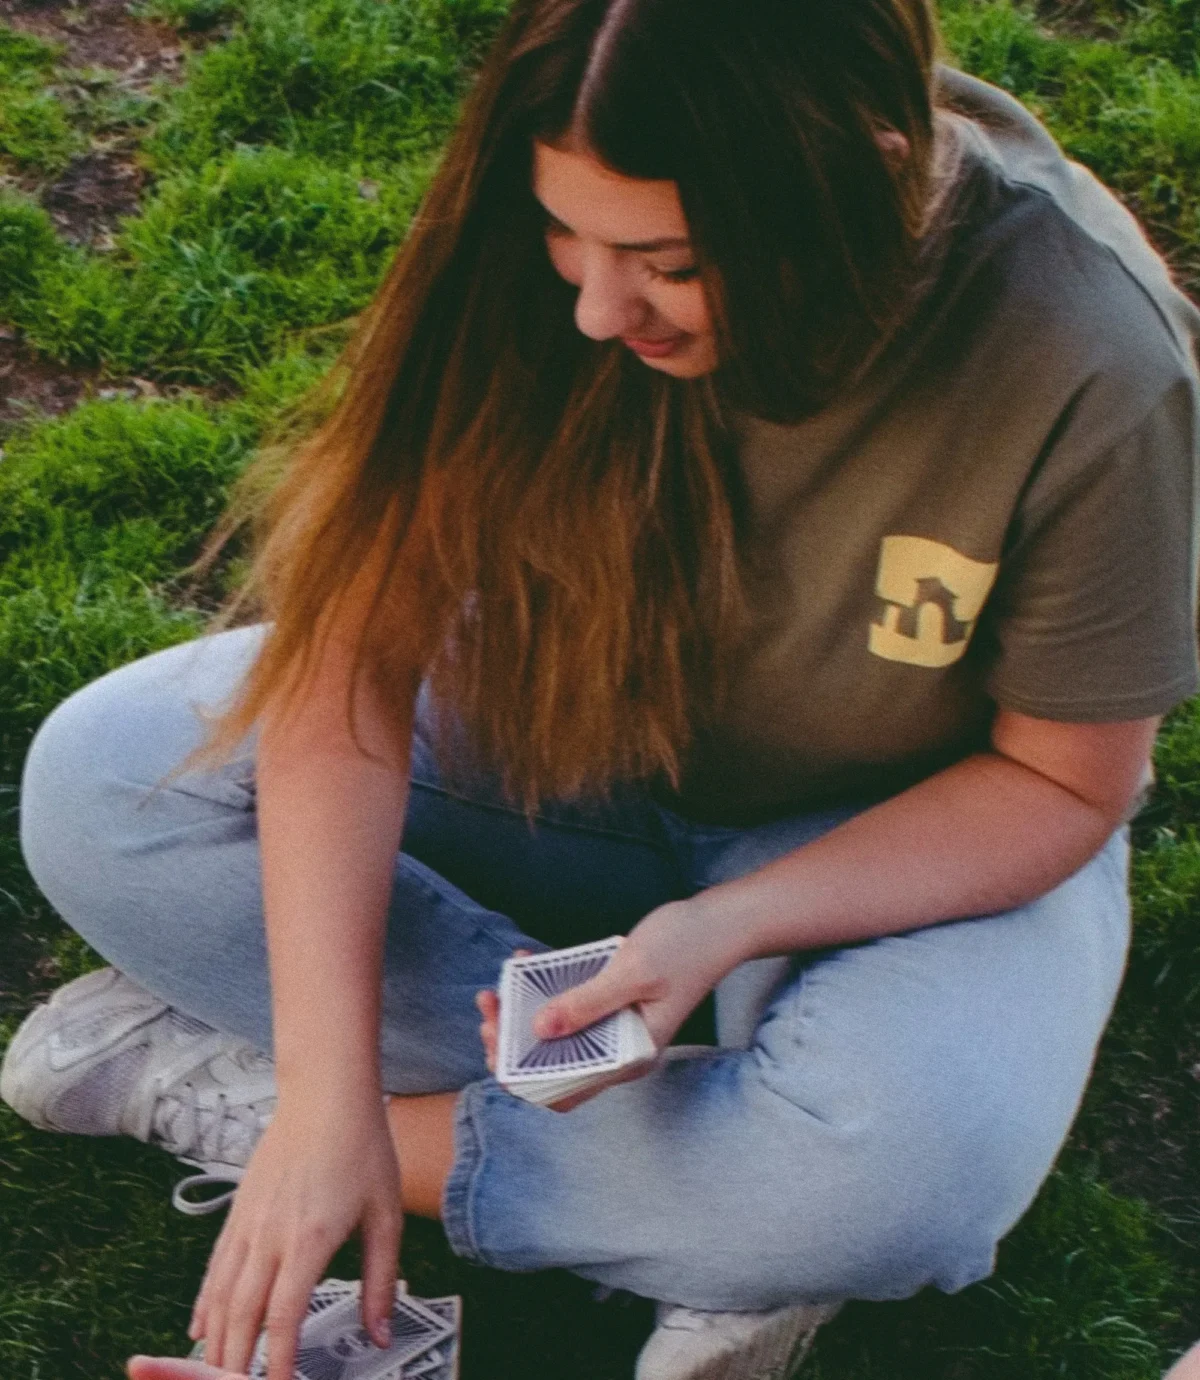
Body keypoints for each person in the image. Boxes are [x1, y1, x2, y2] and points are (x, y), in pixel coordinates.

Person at [3, 0, 1199, 1378]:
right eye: (568, 239)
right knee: (101, 784)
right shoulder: (538, 241)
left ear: (852, 180)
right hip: (567, 739)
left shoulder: (1091, 353)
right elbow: (351, 663)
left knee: (900, 1179)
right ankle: (711, 1193)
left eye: (668, 263)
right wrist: (332, 1083)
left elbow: (1062, 783)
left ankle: (329, 1123)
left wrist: (716, 931)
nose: (591, 303)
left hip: (894, 833)